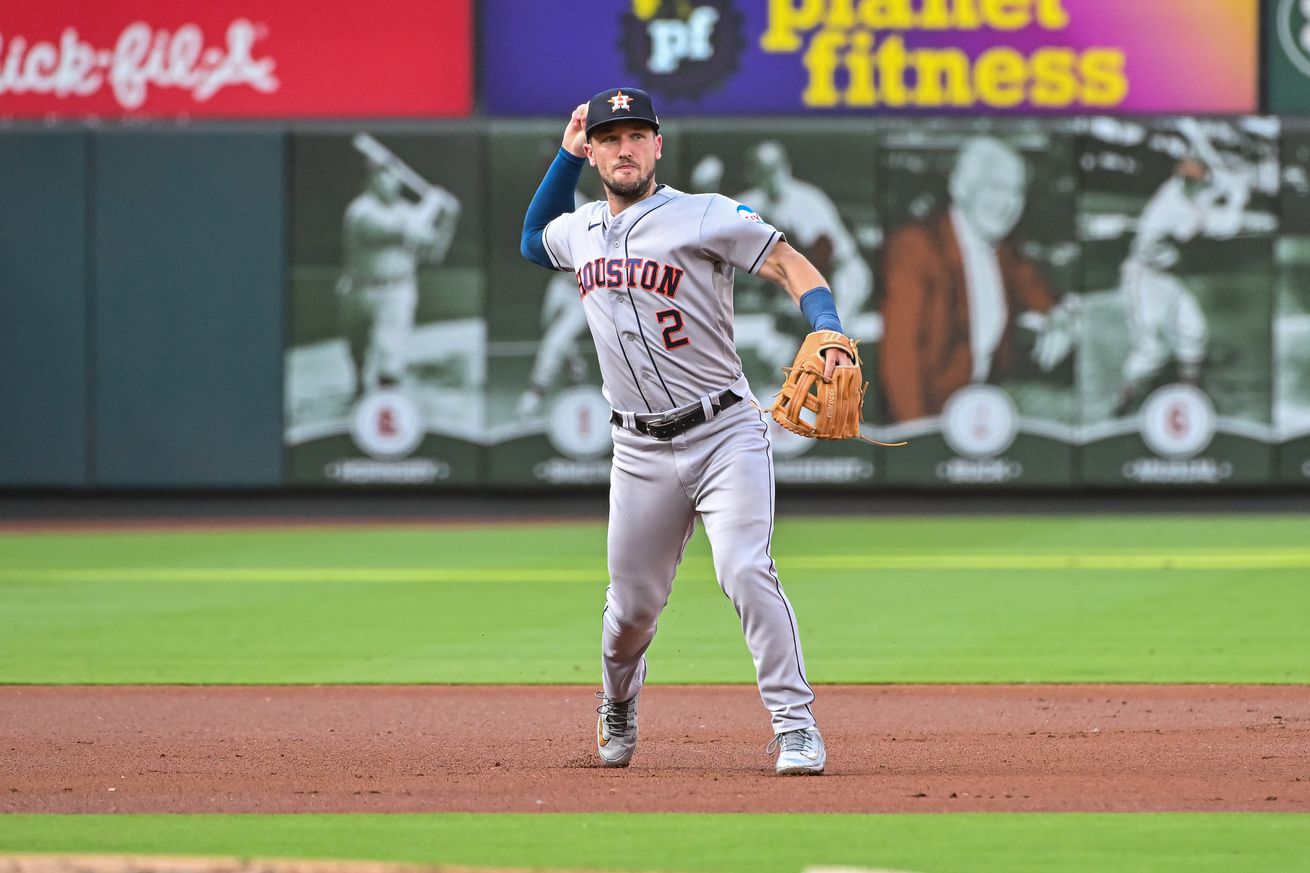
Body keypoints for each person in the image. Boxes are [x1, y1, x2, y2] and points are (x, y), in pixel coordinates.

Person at [520, 87, 852, 775]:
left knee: (744, 568)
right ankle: (617, 701)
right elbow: (531, 239)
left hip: (725, 431)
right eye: (609, 138)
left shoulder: (705, 215)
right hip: (638, 448)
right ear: (593, 149)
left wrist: (828, 327)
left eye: (637, 135)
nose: (624, 148)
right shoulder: (579, 230)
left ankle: (796, 726)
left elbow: (791, 263)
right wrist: (561, 154)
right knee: (631, 612)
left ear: (658, 145)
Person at [879, 136, 1075, 422]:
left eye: (1017, 192)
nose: (1007, 204)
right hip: (934, 411)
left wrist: (1060, 321)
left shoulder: (1004, 248)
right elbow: (899, 357)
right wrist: (915, 441)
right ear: (960, 187)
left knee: (1069, 414)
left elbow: (1040, 293)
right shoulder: (916, 247)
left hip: (987, 395)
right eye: (995, 187)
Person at [1112, 154, 1248, 415]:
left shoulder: (1176, 189)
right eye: (1188, 179)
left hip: (1168, 278)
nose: (1191, 184)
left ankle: (1190, 397)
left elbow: (1206, 192)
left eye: (1195, 180)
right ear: (1180, 178)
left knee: (1193, 331)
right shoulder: (1172, 208)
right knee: (1150, 349)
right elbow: (1227, 226)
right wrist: (1238, 198)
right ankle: (1124, 401)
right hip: (1144, 280)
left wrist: (1229, 180)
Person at [338, 155, 460, 397]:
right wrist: (433, 203)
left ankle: (386, 400)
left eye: (393, 174)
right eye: (382, 174)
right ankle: (360, 389)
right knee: (357, 351)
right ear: (370, 179)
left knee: (389, 353)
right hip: (358, 289)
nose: (390, 180)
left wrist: (448, 220)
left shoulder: (405, 210)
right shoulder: (362, 211)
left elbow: (433, 253)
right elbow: (410, 229)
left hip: (396, 290)